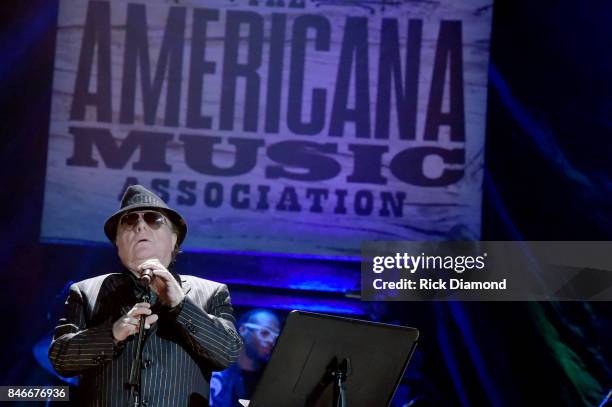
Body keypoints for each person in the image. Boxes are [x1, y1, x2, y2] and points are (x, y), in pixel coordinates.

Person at [48, 185, 243, 407]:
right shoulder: (86, 292)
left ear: (173, 240)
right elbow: (61, 359)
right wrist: (112, 333)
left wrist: (180, 304)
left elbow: (227, 353)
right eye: (129, 221)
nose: (140, 225)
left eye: (153, 219)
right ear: (117, 243)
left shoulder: (211, 292)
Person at [209, 309, 280, 407]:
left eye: (275, 338)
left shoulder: (273, 380)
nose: (271, 341)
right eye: (265, 333)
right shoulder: (218, 374)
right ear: (243, 330)